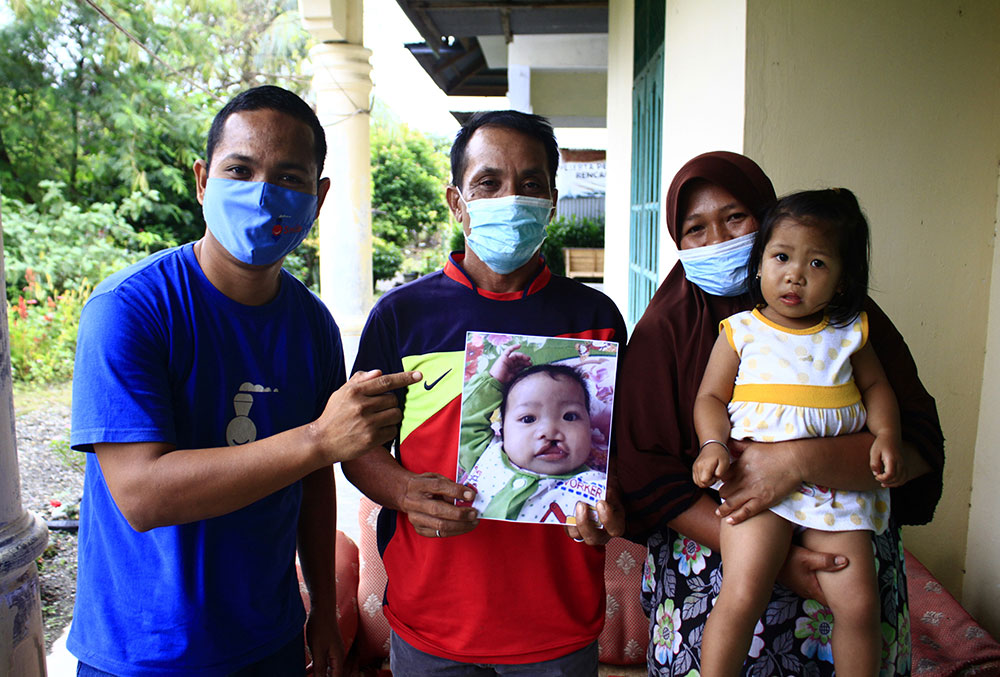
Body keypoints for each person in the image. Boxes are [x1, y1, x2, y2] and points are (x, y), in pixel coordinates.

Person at [68, 85, 419, 676]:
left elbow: (313, 483)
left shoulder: (312, 326)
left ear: (318, 196)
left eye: (288, 176)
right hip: (144, 652)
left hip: (271, 640)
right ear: (204, 181)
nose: (263, 193)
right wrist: (318, 439)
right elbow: (142, 495)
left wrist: (324, 616)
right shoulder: (129, 308)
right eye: (240, 169)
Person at [615, 151, 944, 677]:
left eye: (736, 218)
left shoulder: (845, 321)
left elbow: (917, 445)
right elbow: (642, 469)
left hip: (840, 545)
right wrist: (776, 560)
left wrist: (796, 463)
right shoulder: (667, 329)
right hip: (719, 562)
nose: (718, 240)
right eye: (695, 228)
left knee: (857, 612)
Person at [342, 110, 627, 676]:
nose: (511, 199)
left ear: (551, 200)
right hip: (431, 623)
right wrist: (401, 490)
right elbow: (356, 447)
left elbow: (617, 451)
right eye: (488, 183)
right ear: (456, 202)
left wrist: (614, 500)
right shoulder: (402, 317)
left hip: (558, 626)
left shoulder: (594, 318)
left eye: (531, 184)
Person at [692, 188, 906, 676]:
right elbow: (709, 398)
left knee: (858, 604)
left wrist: (887, 434)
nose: (794, 274)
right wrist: (712, 444)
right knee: (743, 592)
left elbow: (876, 387)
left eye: (817, 264)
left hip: (837, 489)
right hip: (757, 486)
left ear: (843, 278)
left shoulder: (851, 331)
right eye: (782, 256)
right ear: (760, 262)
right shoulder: (741, 330)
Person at [460, 344, 606, 523]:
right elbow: (463, 420)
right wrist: (494, 381)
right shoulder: (484, 455)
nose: (550, 431)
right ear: (502, 428)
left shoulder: (598, 489)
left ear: (589, 427)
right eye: (528, 419)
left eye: (569, 416)